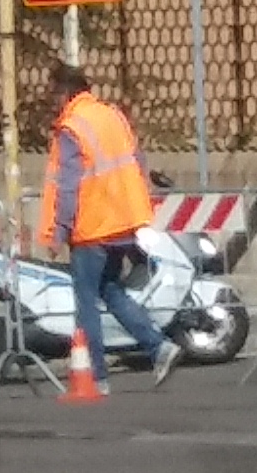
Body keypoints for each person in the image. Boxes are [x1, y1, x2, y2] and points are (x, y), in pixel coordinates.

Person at [36, 63, 176, 392]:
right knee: (110, 291)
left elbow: (68, 187)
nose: (51, 101)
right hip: (122, 222)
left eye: (52, 93)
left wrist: (59, 231)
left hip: (92, 226)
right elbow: (137, 163)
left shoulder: (72, 127)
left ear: (64, 92)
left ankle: (95, 376)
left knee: (86, 301)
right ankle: (158, 345)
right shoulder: (113, 116)